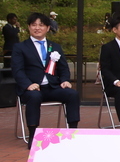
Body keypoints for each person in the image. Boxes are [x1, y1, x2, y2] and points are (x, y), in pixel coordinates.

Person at [12, 12, 80, 148]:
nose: (37, 28)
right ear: (29, 27)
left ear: (48, 28)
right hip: (32, 88)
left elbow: (63, 68)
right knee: (34, 96)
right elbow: (17, 70)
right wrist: (28, 85)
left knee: (72, 94)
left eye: (41, 25)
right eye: (34, 25)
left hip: (52, 87)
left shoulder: (55, 47)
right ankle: (33, 134)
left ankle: (72, 132)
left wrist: (65, 80)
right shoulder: (20, 47)